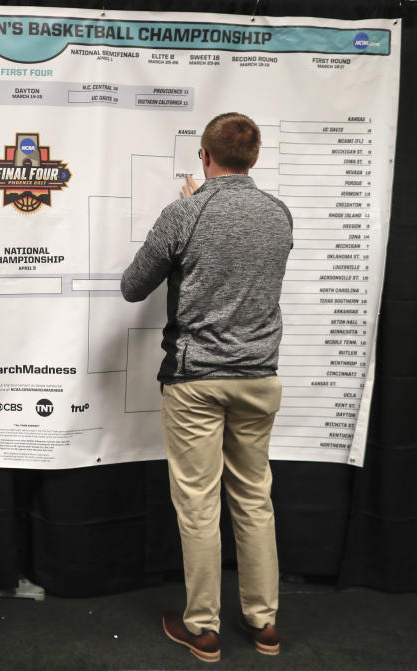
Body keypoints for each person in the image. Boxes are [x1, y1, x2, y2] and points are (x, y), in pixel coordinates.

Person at [121, 113, 293, 662]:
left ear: (204, 155)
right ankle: (265, 625)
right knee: (254, 500)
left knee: (198, 506)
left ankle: (203, 630)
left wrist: (191, 211)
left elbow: (132, 287)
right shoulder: (279, 214)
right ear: (256, 158)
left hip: (197, 380)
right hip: (259, 376)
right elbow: (242, 261)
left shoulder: (185, 214)